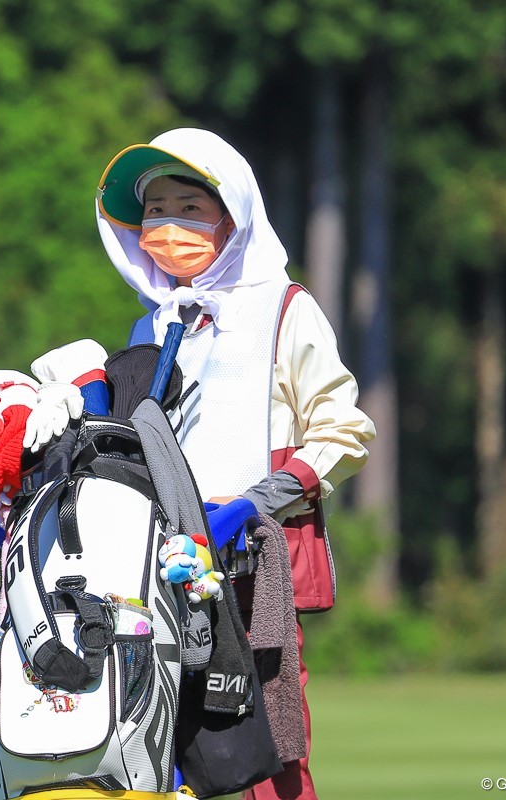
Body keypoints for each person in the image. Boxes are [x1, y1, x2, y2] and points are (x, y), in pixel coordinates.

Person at [95, 128, 376, 800]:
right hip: (162, 567)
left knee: (269, 749)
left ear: (234, 215)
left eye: (189, 209)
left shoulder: (285, 310)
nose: (168, 227)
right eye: (155, 211)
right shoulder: (152, 325)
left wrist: (251, 505)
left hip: (254, 554)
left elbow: (344, 432)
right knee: (164, 748)